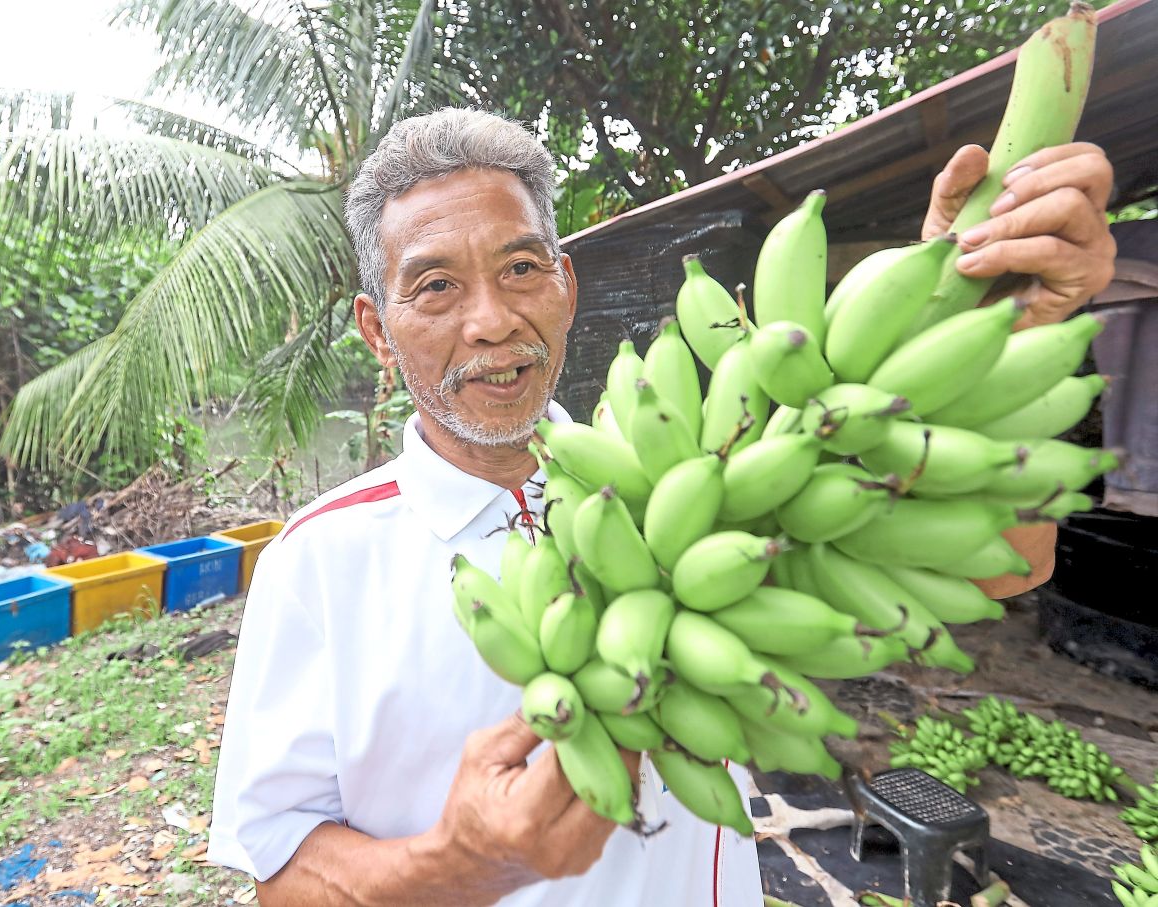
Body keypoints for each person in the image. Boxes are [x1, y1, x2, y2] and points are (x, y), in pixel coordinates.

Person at [207, 107, 1116, 906]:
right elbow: (281, 873)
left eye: (521, 267)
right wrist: (463, 863)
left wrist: (993, 319)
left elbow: (1008, 561)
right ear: (377, 327)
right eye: (436, 284)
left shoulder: (705, 464)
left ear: (566, 283)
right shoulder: (317, 563)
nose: (490, 319)